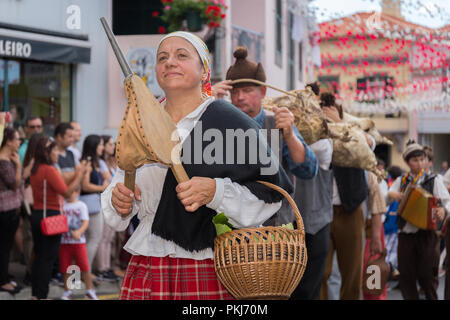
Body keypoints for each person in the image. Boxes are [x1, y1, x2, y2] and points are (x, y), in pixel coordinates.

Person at [102, 31, 293, 300]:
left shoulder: (232, 122)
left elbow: (271, 196)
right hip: (148, 264)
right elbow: (121, 183)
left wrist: (215, 191)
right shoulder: (139, 124)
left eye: (182, 55)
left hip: (210, 267)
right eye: (162, 57)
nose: (169, 62)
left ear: (204, 71)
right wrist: (118, 200)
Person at [224, 46, 318, 226]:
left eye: (247, 90)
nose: (240, 97)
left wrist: (289, 135)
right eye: (234, 92)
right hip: (232, 230)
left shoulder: (277, 123)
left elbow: (307, 170)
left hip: (275, 230)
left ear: (263, 92)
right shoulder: (222, 126)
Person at [319, 92, 374, 300]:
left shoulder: (354, 128)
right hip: (321, 212)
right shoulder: (314, 131)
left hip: (350, 210)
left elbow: (369, 145)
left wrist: (339, 124)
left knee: (351, 274)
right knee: (320, 273)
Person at [388, 140, 450, 300]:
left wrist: (443, 209)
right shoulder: (401, 181)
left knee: (427, 276)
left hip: (427, 235)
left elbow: (447, 199)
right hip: (406, 235)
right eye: (415, 160)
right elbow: (386, 196)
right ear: (407, 162)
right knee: (406, 277)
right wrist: (391, 194)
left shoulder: (433, 179)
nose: (420, 163)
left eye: (422, 159)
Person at [29, 135, 86, 300]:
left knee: (39, 257)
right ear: (46, 152)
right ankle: (41, 295)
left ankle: (35, 294)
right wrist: (80, 174)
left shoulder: (35, 169)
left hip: (37, 214)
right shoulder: (49, 169)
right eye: (53, 149)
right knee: (47, 259)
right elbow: (67, 192)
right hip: (51, 216)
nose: (57, 153)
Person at [290, 138, 334, 300]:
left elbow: (320, 149)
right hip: (288, 223)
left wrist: (290, 133)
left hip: (317, 223)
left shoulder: (324, 142)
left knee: (310, 287)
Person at [79, 135, 111, 279]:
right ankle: (86, 271)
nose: (102, 148)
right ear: (93, 146)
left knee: (91, 239)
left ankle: (85, 271)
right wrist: (102, 187)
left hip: (91, 203)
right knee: (94, 238)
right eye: (100, 145)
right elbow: (85, 185)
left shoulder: (94, 162)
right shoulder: (87, 162)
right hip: (90, 204)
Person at [59, 187, 98, 300]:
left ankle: (90, 290)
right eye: (67, 192)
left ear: (77, 193)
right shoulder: (62, 205)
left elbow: (85, 222)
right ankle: (68, 291)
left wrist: (79, 232)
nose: (68, 195)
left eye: (71, 192)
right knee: (65, 267)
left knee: (85, 267)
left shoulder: (81, 205)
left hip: (79, 242)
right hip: (64, 242)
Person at [0, 127, 23, 295]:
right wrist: (19, 166)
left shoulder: (8, 159)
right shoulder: (4, 161)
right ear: (8, 141)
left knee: (5, 246)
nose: (19, 142)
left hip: (10, 209)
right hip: (6, 210)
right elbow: (14, 183)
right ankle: (3, 281)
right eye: (16, 139)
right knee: (4, 246)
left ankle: (4, 277)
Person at [362, 171, 388, 300]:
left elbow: (382, 206)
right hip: (354, 227)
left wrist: (376, 237)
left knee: (373, 272)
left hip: (373, 229)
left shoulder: (376, 177)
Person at [383, 165, 404, 280]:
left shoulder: (391, 188)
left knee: (389, 252)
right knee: (392, 252)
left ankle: (389, 273)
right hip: (393, 226)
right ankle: (391, 273)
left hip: (389, 226)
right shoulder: (397, 188)